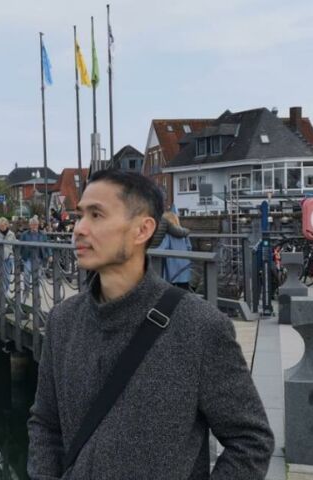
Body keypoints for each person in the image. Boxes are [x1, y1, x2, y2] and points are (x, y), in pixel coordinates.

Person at [27, 170, 273, 479]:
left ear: (142, 230)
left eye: (96, 215)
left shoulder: (200, 327)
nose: (79, 229)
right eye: (80, 216)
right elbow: (45, 423)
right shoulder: (62, 321)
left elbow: (251, 441)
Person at [155, 211, 193, 290]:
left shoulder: (167, 234)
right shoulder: (184, 233)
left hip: (172, 265)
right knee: (184, 287)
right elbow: (189, 247)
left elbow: (162, 248)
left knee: (170, 288)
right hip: (184, 264)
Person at [19, 216, 51, 299]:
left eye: (35, 225)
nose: (34, 226)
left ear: (38, 225)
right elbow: (20, 246)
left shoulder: (42, 234)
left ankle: (36, 292)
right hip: (28, 257)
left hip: (39, 258)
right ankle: (26, 291)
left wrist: (50, 255)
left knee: (38, 276)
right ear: (29, 225)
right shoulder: (24, 234)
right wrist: (18, 255)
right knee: (26, 275)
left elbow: (47, 245)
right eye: (32, 225)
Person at [0, 217, 16, 293]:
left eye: (3, 225)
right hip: (0, 257)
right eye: (0, 226)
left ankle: (5, 291)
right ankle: (3, 293)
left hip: (9, 257)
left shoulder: (11, 234)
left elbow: (15, 245)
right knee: (2, 275)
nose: (2, 227)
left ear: (6, 225)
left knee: (8, 276)